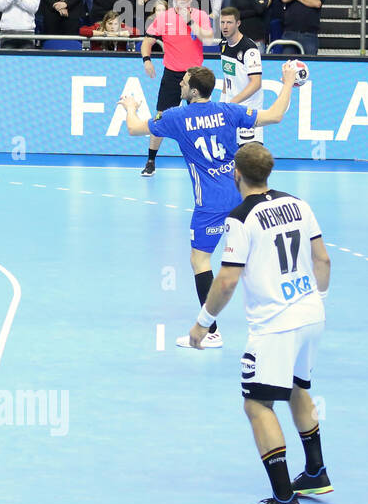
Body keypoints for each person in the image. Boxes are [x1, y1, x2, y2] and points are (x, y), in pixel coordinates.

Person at [186, 141, 333, 504]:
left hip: (275, 325)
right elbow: (323, 260)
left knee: (257, 405)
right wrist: (316, 301)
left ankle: (283, 501)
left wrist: (203, 324)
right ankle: (316, 472)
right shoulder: (299, 204)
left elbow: (227, 282)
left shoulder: (240, 218)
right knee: (298, 388)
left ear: (236, 172)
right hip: (311, 312)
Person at [120, 64, 298, 350]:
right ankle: (283, 319)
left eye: (184, 82)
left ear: (192, 91)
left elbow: (133, 128)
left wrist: (130, 106)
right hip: (243, 195)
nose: (179, 84)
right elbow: (276, 116)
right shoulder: (228, 111)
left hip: (210, 204)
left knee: (200, 261)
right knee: (256, 258)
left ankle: (211, 332)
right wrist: (288, 82)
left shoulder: (176, 117)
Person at [137, 0, 212, 177]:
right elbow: (147, 41)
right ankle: (151, 160)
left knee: (199, 119)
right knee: (160, 117)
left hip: (195, 75)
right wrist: (147, 60)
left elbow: (209, 40)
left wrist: (190, 22)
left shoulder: (201, 15)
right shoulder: (163, 18)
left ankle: (203, 161)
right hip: (172, 74)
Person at [218, 6, 263, 145]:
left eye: (229, 22)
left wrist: (234, 101)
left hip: (248, 110)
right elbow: (227, 76)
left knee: (249, 157)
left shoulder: (249, 49)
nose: (225, 26)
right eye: (222, 22)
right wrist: (223, 101)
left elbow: (256, 83)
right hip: (231, 108)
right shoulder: (223, 45)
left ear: (238, 23)